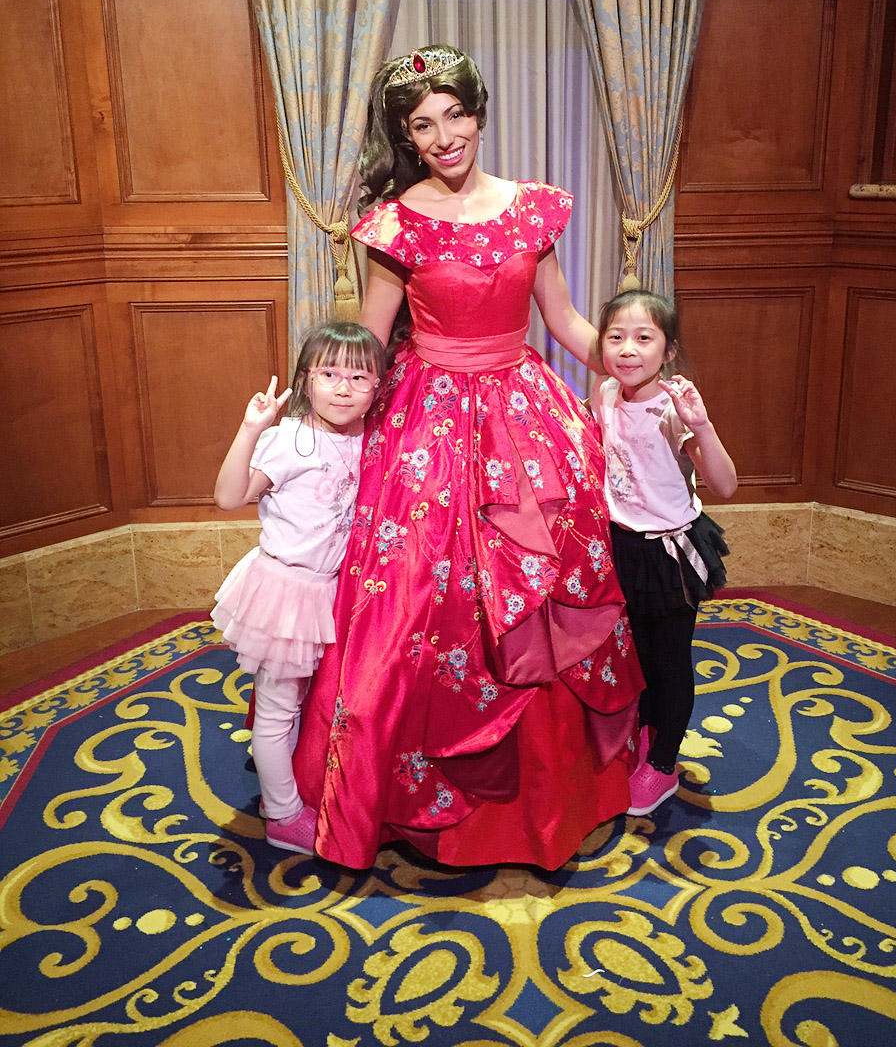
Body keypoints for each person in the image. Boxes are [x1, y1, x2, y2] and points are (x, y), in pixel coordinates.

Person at [292, 44, 644, 870]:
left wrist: (631, 367)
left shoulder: (531, 210)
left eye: (455, 115)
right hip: (426, 428)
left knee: (546, 585)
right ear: (408, 138)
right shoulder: (395, 224)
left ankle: (554, 796)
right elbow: (371, 340)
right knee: (421, 595)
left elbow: (563, 322)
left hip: (524, 416)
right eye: (423, 125)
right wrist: (317, 424)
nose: (444, 136)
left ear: (479, 115)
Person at [212, 321, 386, 852]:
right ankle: (283, 815)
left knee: (302, 702)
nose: (343, 388)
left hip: (329, 591)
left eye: (359, 377)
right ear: (306, 377)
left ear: (378, 387)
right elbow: (229, 497)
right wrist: (251, 429)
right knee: (277, 709)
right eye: (329, 374)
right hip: (285, 592)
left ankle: (282, 787)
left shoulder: (366, 439)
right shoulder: (288, 439)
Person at [590, 288, 737, 818]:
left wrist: (701, 425)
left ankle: (663, 763)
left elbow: (725, 485)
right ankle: (645, 734)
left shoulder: (675, 407)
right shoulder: (605, 392)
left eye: (644, 337)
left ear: (668, 350)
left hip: (670, 552)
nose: (628, 349)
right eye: (616, 337)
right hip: (621, 545)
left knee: (670, 660)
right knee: (636, 655)